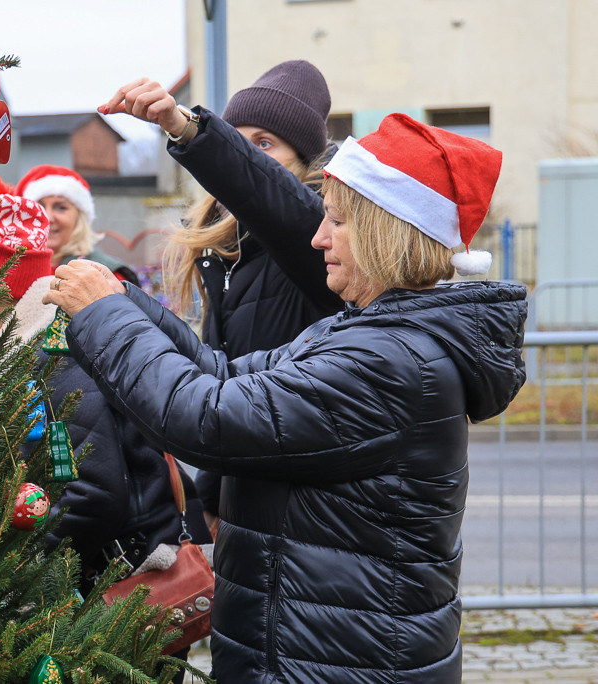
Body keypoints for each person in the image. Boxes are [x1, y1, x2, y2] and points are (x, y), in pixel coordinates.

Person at [43, 113, 527, 682]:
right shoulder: (365, 333)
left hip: (338, 665)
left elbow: (204, 417)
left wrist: (104, 315)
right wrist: (126, 301)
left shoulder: (388, 362)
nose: (319, 237)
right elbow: (223, 375)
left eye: (338, 221)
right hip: (315, 653)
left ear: (386, 233)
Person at [0, 174, 211, 679]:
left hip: (126, 593)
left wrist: (7, 558)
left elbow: (94, 493)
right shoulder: (32, 349)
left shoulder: (55, 356)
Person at [103, 62, 345, 526]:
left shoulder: (317, 239)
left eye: (264, 144)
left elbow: (279, 204)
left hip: (302, 509)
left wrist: (187, 128)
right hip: (245, 502)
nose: (247, 154)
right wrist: (212, 504)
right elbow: (221, 390)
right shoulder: (225, 254)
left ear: (304, 164)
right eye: (238, 138)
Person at [14, 164, 140, 286]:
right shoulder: (10, 269)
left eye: (61, 207)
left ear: (79, 218)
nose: (48, 217)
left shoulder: (106, 277)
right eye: (39, 207)